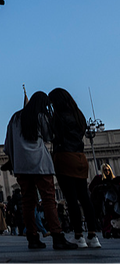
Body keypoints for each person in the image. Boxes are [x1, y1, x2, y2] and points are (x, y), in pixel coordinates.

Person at [4, 91, 77, 250]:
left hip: (22, 167)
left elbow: (8, 145)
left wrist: (14, 160)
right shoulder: (40, 117)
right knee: (49, 200)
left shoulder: (14, 119)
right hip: (40, 164)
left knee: (28, 203)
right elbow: (49, 136)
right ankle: (57, 237)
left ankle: (32, 238)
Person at [49, 88, 101, 248]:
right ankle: (93, 236)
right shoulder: (79, 115)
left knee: (71, 200)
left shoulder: (58, 117)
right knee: (85, 198)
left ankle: (79, 236)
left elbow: (54, 135)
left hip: (65, 157)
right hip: (80, 158)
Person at [89, 163, 119, 238]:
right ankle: (106, 230)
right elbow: (91, 188)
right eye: (105, 170)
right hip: (102, 200)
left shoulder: (113, 179)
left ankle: (114, 229)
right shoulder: (99, 178)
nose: (107, 171)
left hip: (113, 199)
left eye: (108, 170)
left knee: (114, 214)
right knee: (106, 215)